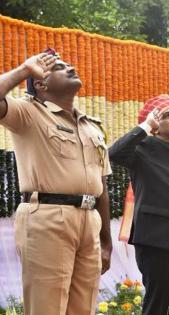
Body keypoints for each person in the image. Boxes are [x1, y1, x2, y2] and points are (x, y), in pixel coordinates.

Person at [0, 49, 112, 315]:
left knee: (82, 309)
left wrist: (106, 242)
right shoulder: (28, 112)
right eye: (60, 67)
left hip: (89, 220)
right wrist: (25, 69)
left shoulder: (91, 127)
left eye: (70, 64)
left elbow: (102, 186)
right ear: (40, 83)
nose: (70, 68)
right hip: (47, 217)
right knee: (46, 309)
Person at [108, 94, 169, 315]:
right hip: (157, 240)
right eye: (167, 115)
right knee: (158, 303)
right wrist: (144, 127)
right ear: (155, 126)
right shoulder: (142, 147)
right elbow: (114, 153)